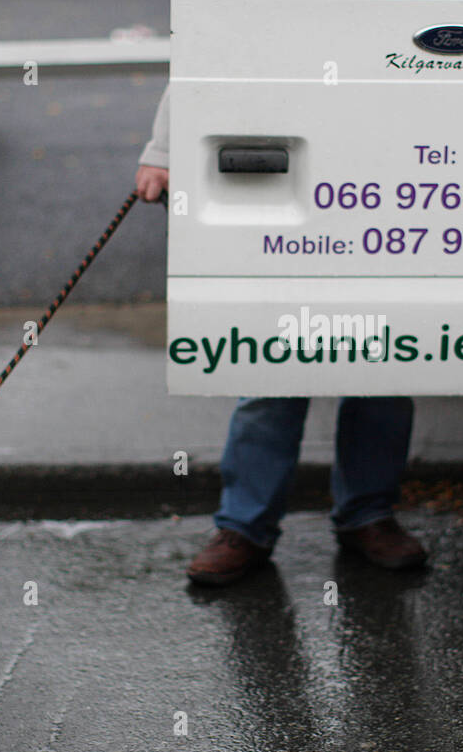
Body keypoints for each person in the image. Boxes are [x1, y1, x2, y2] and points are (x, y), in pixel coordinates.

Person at [135, 88, 427, 586]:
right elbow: (210, 44)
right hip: (280, 176)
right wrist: (164, 151)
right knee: (273, 363)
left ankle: (367, 514)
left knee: (380, 357)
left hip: (384, 172)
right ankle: (245, 526)